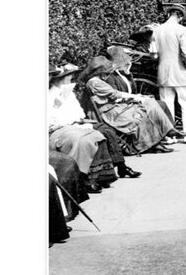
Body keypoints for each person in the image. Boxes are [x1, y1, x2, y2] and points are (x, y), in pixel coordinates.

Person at [80, 55, 173, 159]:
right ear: (101, 72)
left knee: (148, 103)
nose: (108, 75)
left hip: (114, 108)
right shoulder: (94, 83)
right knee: (143, 110)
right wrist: (135, 97)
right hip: (110, 113)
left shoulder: (97, 81)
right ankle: (157, 139)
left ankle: (159, 139)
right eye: (107, 73)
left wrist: (135, 96)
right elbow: (115, 94)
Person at [48, 63, 112, 193]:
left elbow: (78, 113)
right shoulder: (49, 95)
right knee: (82, 140)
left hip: (67, 125)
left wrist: (73, 119)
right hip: (54, 130)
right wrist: (56, 107)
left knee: (96, 135)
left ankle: (97, 177)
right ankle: (82, 178)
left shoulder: (63, 93)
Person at [150, 4, 186, 144]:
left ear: (169, 14)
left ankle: (169, 136)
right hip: (180, 71)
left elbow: (153, 53)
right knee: (185, 103)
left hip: (163, 71)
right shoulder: (182, 29)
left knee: (167, 103)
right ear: (180, 15)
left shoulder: (157, 30)